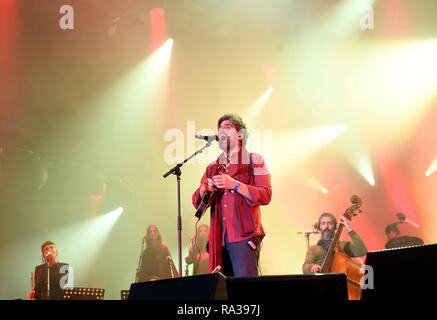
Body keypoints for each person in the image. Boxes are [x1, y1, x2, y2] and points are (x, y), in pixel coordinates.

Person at [192, 113, 272, 276]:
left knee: (245, 290)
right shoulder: (213, 167)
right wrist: (204, 188)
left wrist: (235, 185)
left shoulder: (255, 160)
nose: (221, 131)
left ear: (241, 135)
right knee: (221, 290)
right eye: (219, 128)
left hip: (244, 237)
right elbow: (197, 202)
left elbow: (266, 195)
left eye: (227, 127)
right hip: (218, 239)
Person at [303, 213, 367, 274]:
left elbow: (362, 250)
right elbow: (305, 267)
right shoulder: (314, 249)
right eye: (323, 223)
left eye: (330, 223)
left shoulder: (342, 245)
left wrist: (348, 228)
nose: (326, 226)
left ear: (335, 227)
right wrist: (311, 267)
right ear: (319, 227)